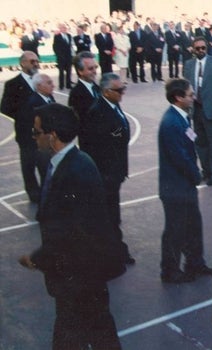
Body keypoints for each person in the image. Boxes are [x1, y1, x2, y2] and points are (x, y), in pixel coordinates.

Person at [19, 103, 125, 350]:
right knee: (93, 333)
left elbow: (68, 231)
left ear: (52, 135)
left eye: (37, 132)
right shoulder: (71, 162)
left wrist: (37, 259)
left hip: (79, 278)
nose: (34, 137)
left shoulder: (74, 171)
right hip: (79, 276)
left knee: (83, 335)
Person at [158, 79, 212, 283]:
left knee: (192, 226)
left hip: (183, 186)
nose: (193, 97)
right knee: (175, 230)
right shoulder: (172, 122)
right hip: (176, 187)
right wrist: (196, 174)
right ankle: (170, 270)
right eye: (190, 95)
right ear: (179, 97)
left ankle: (195, 262)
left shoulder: (182, 117)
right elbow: (179, 157)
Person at [81, 73, 134, 265]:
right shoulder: (98, 112)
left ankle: (114, 250)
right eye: (118, 90)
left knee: (112, 213)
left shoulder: (113, 105)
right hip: (107, 173)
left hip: (115, 171)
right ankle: (113, 253)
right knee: (110, 215)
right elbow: (98, 143)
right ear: (106, 92)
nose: (122, 93)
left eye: (123, 88)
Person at [183, 36, 212, 185]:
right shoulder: (189, 65)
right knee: (200, 142)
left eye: (203, 48)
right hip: (195, 109)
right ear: (193, 50)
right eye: (198, 48)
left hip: (211, 110)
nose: (201, 50)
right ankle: (206, 171)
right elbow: (185, 87)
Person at [0, 51, 41, 202]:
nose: (36, 64)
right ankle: (33, 193)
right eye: (32, 61)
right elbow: (5, 108)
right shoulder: (13, 84)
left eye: (37, 61)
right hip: (26, 131)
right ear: (22, 63)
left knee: (45, 162)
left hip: (44, 131)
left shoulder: (41, 80)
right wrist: (24, 116)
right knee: (28, 164)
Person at [69, 51, 100, 146]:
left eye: (95, 67)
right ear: (80, 71)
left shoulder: (98, 88)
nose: (95, 71)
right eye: (90, 68)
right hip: (90, 143)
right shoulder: (76, 93)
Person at [52, 23, 73, 90]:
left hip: (68, 56)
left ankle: (68, 84)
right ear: (60, 29)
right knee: (61, 72)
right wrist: (59, 55)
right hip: (61, 57)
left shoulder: (69, 36)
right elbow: (55, 47)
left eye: (65, 28)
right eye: (63, 28)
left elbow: (70, 46)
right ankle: (61, 85)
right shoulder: (57, 36)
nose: (64, 29)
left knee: (69, 71)